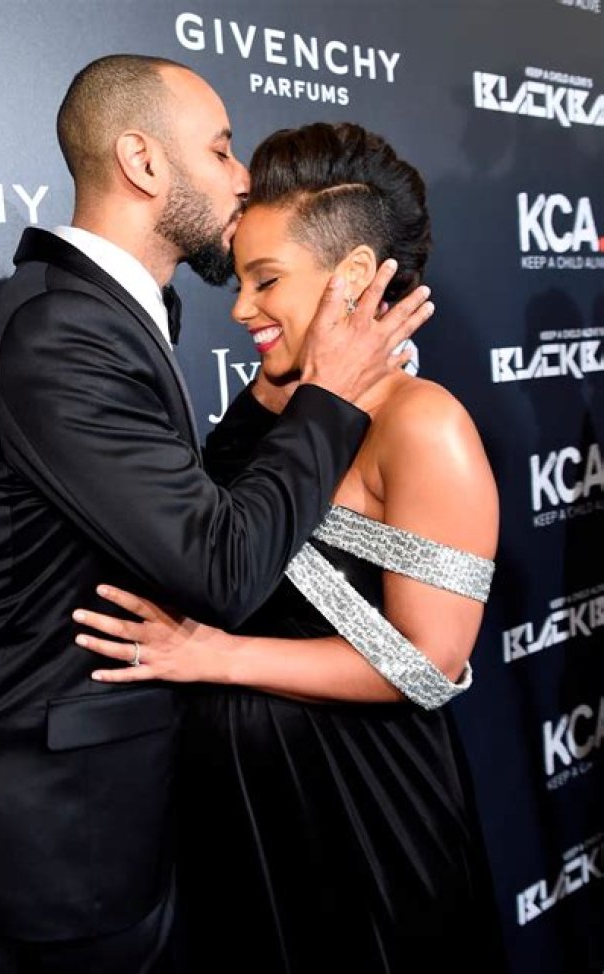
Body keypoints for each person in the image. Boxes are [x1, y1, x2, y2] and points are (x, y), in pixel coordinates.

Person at [0, 56, 434, 974]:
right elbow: (221, 567)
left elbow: (183, 508)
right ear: (143, 162)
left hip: (107, 830)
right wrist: (330, 397)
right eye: (221, 150)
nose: (241, 175)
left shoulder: (106, 314)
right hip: (49, 851)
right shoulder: (63, 329)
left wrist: (285, 395)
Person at [73, 122, 507, 973]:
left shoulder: (426, 426)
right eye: (241, 280)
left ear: (353, 276)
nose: (240, 309)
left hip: (361, 806)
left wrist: (215, 657)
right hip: (238, 806)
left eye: (265, 280)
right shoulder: (274, 398)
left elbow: (430, 663)